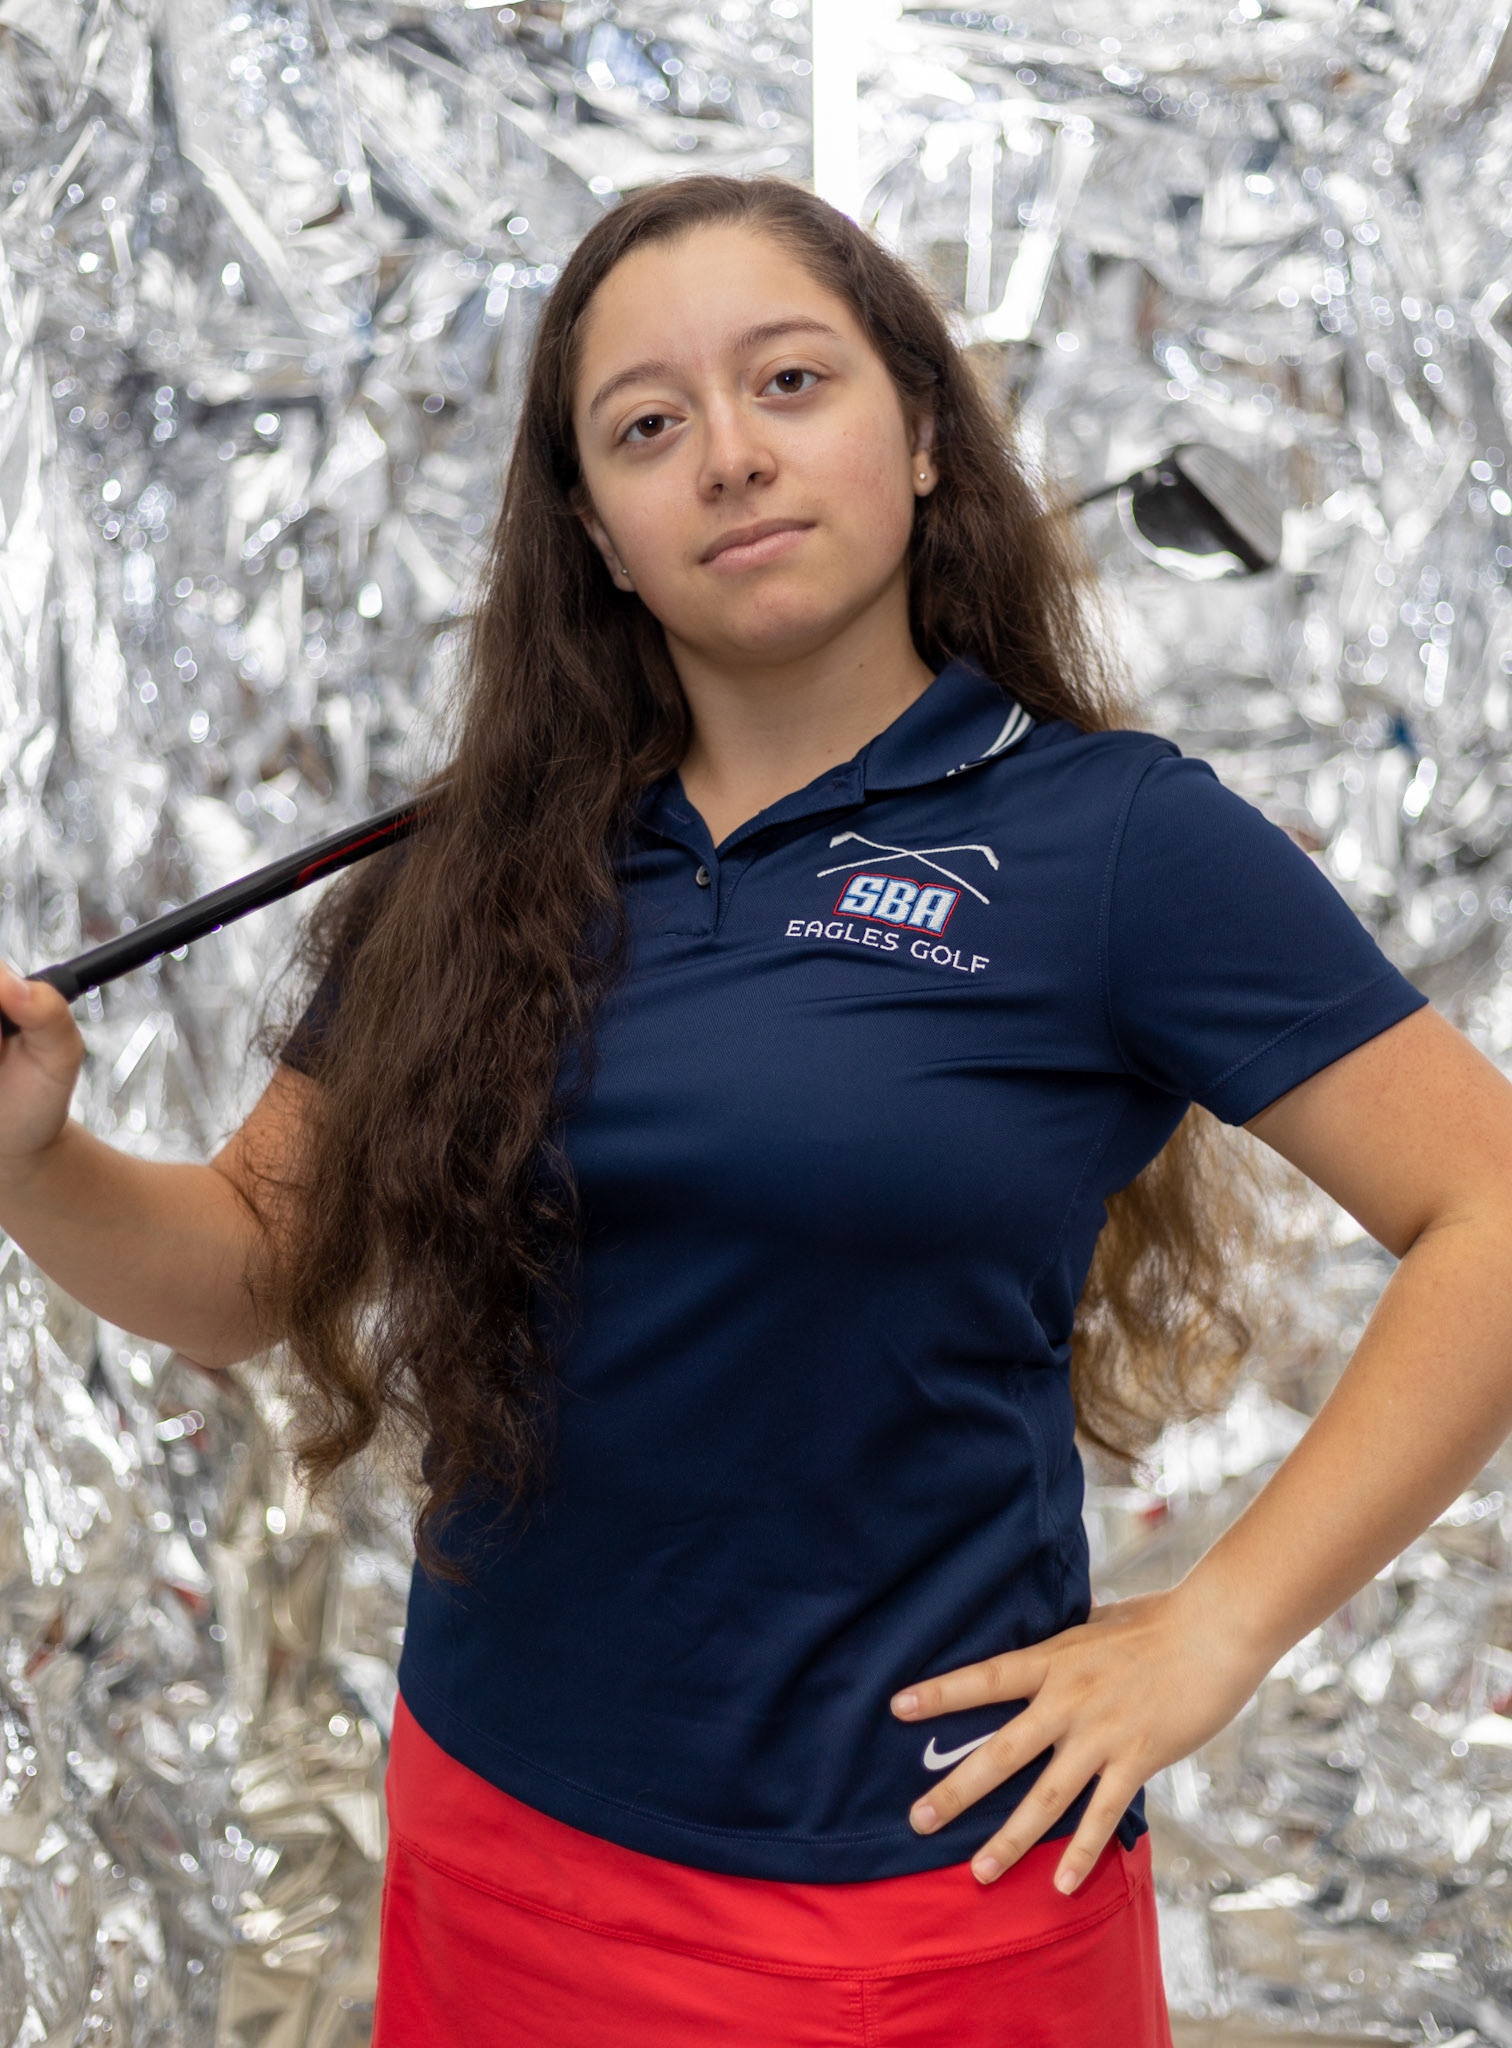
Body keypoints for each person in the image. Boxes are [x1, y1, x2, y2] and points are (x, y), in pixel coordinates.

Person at [4, 174, 1512, 2048]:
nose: (728, 456)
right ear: (599, 535)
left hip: (927, 1903)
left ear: (926, 436)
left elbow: (1493, 1216)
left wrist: (1215, 1632)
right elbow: (244, 1265)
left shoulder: (1119, 840)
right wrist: (37, 1156)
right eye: (649, 426)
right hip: (503, 1843)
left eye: (790, 382)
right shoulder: (473, 873)